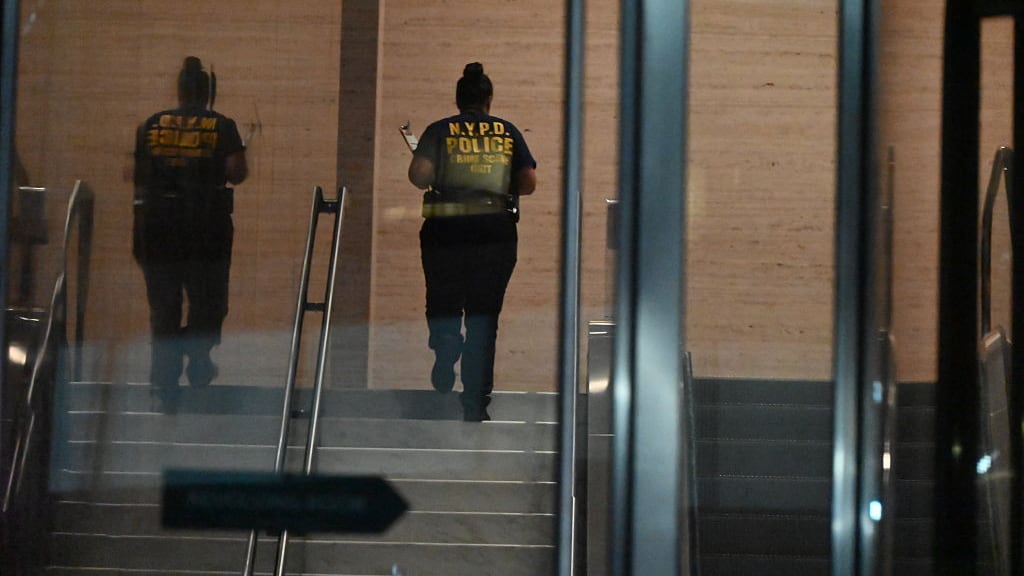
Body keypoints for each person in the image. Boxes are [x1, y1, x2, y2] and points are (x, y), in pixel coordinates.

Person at [407, 62, 537, 422]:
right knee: (483, 318)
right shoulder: (507, 132)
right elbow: (528, 183)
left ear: (458, 99)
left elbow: (418, 176)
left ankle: (447, 346)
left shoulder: (439, 130)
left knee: (444, 300)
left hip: (445, 232)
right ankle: (475, 404)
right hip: (494, 234)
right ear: (488, 100)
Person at [133, 56, 247, 410]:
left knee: (164, 307)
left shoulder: (152, 124)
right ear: (207, 92)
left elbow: (136, 174)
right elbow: (236, 172)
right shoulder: (222, 125)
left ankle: (166, 384)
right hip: (206, 227)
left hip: (156, 227)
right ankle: (197, 358)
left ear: (180, 90)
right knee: (209, 302)